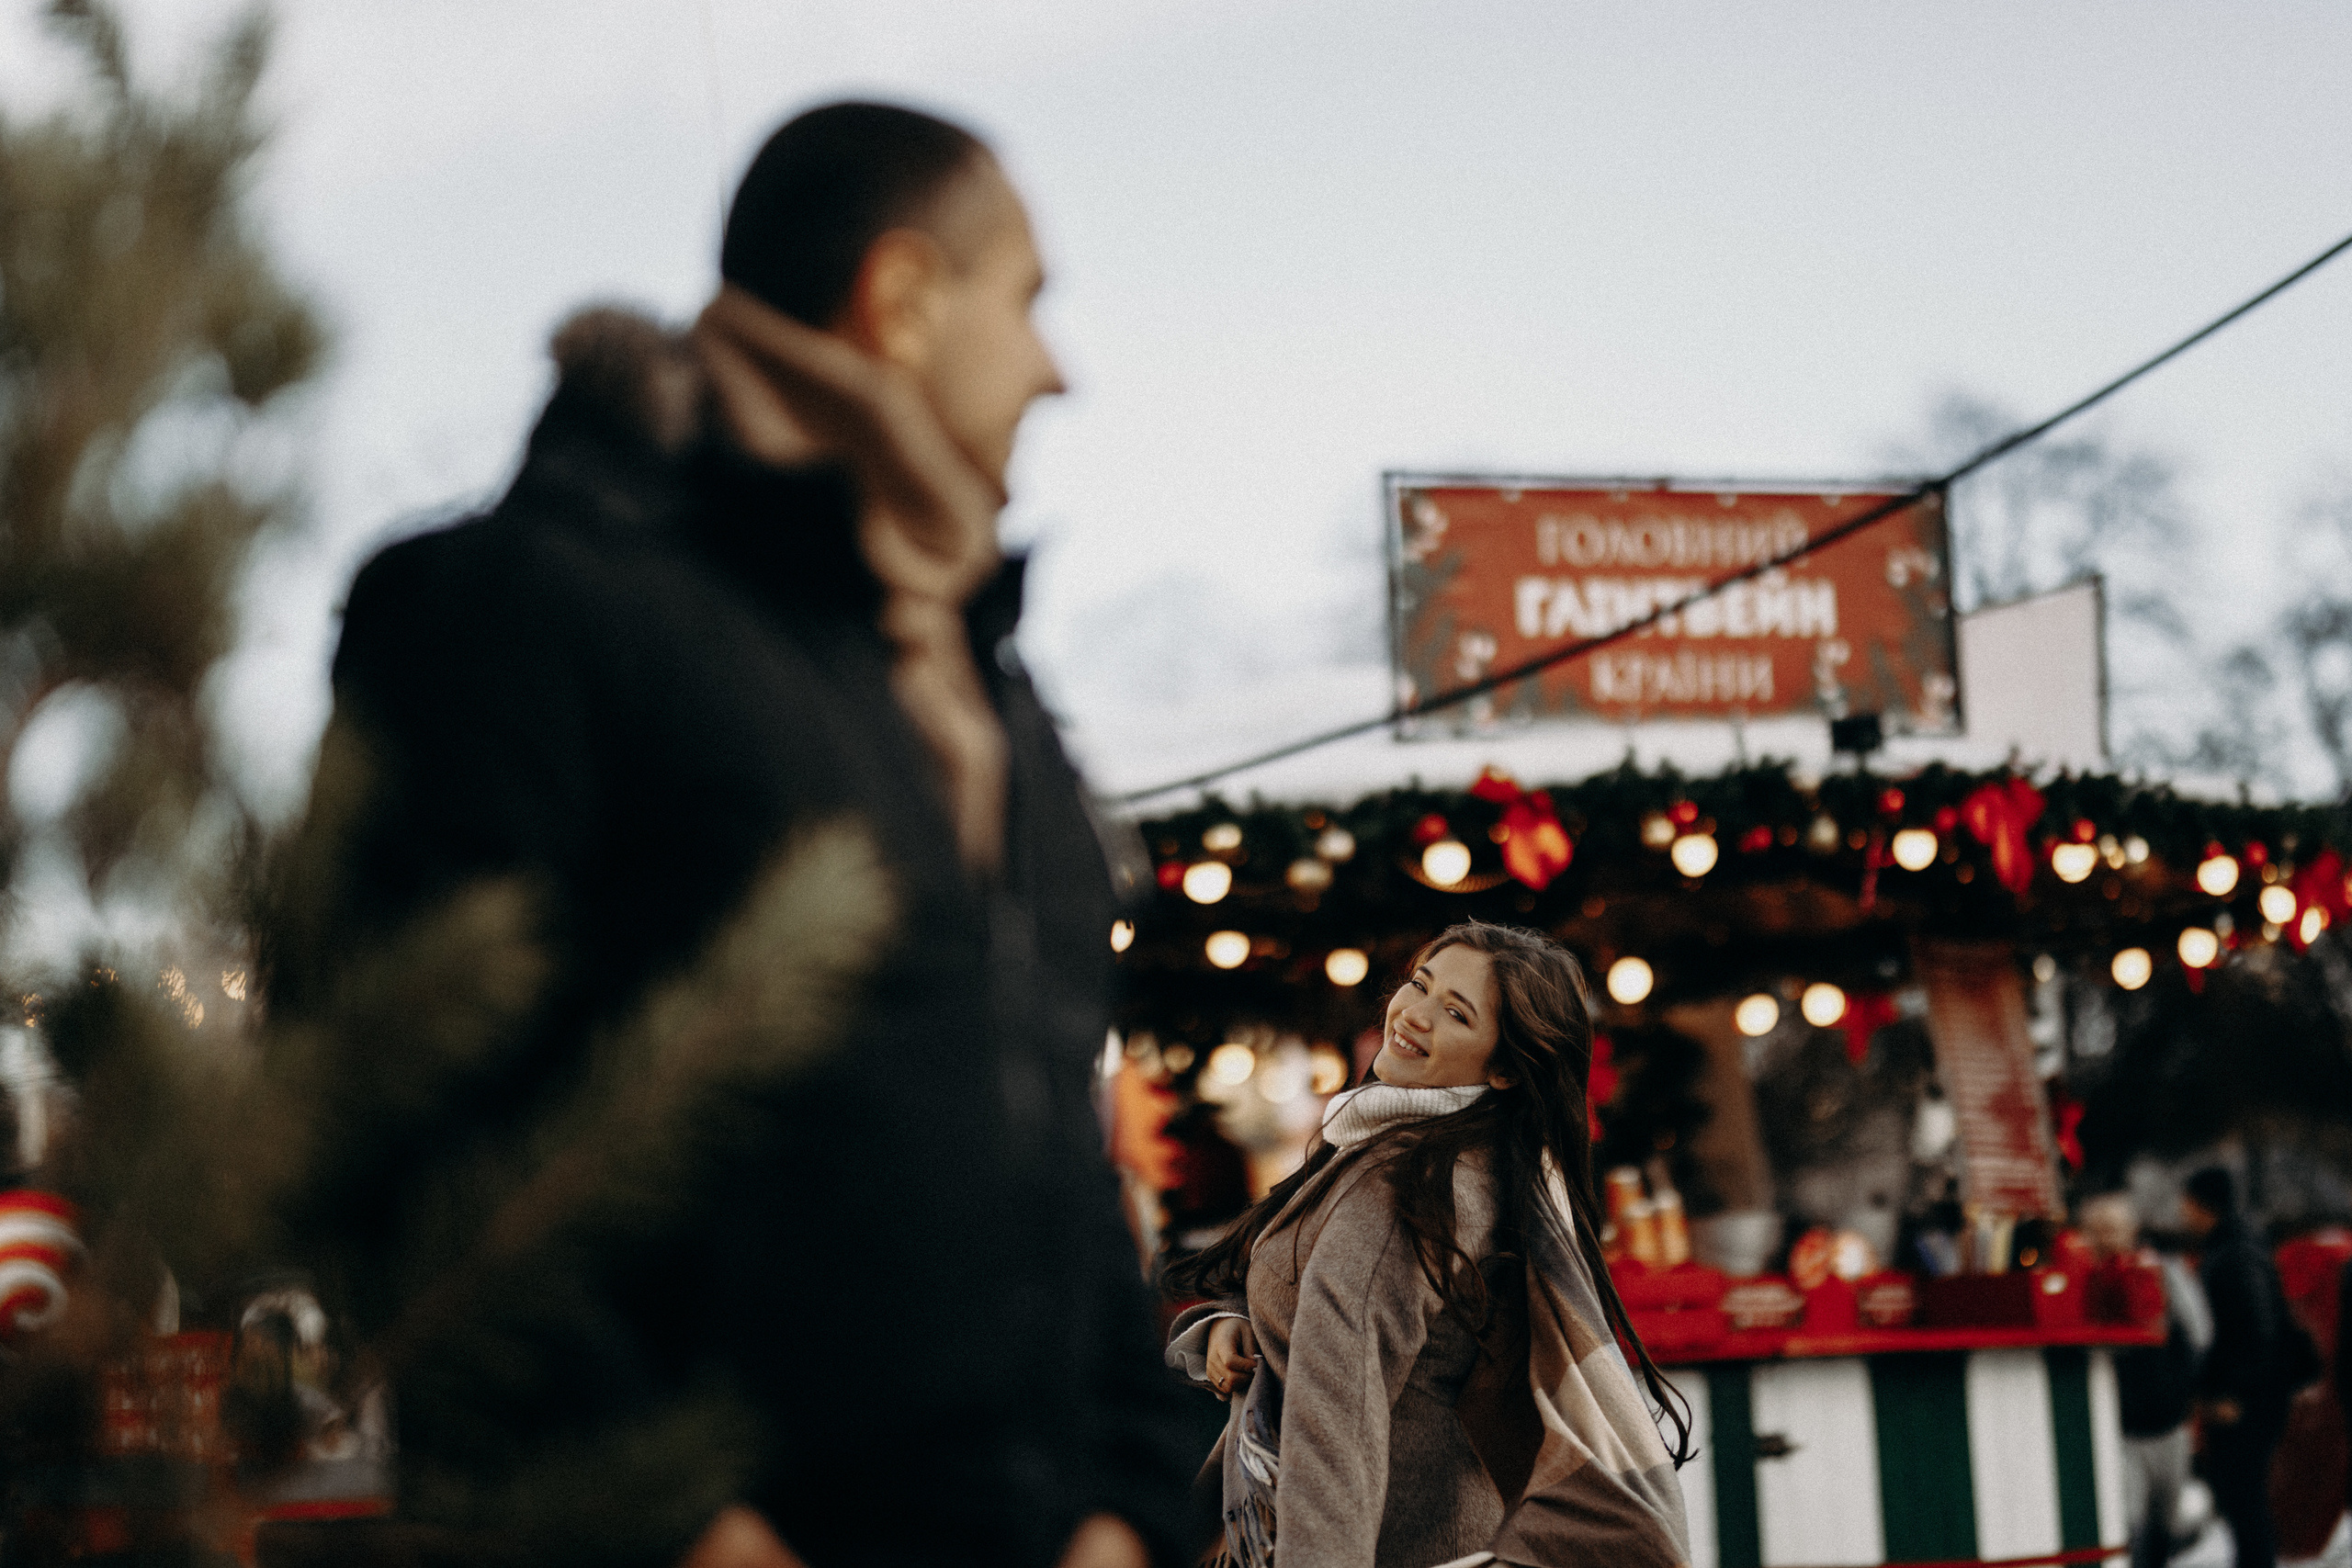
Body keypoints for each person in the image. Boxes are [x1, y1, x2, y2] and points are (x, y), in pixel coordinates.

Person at [263, 102, 1201, 1568]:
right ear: (901, 298)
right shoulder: (522, 605)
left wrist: (1132, 1505)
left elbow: (1052, 1152)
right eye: (1027, 301)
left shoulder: (983, 692)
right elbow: (402, 1116)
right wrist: (682, 1528)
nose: (1055, 370)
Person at [1161, 922, 1690, 1568]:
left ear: (1502, 1067)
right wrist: (1237, 1322)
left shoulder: (1407, 1190)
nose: (1414, 1014)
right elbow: (1334, 1298)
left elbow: (1337, 1429)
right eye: (1420, 983)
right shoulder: (1441, 1152)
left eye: (1456, 1013)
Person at [2083, 1193, 2211, 1568]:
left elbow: (2199, 1331)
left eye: (2114, 1228)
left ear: (2131, 1229)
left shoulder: (2162, 1272)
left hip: (2169, 1418)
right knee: (2126, 1524)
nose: (2107, 1238)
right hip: (2118, 1428)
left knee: (2166, 1523)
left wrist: (2185, 1384)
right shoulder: (2083, 1279)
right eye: (2098, 1230)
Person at [2181, 1167, 2289, 1568]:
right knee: (2242, 1500)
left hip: (2245, 1402)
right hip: (2249, 1396)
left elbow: (2256, 1333)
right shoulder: (2235, 1247)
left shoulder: (2234, 1254)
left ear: (2199, 1203)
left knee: (2244, 1500)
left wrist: (2234, 1395)